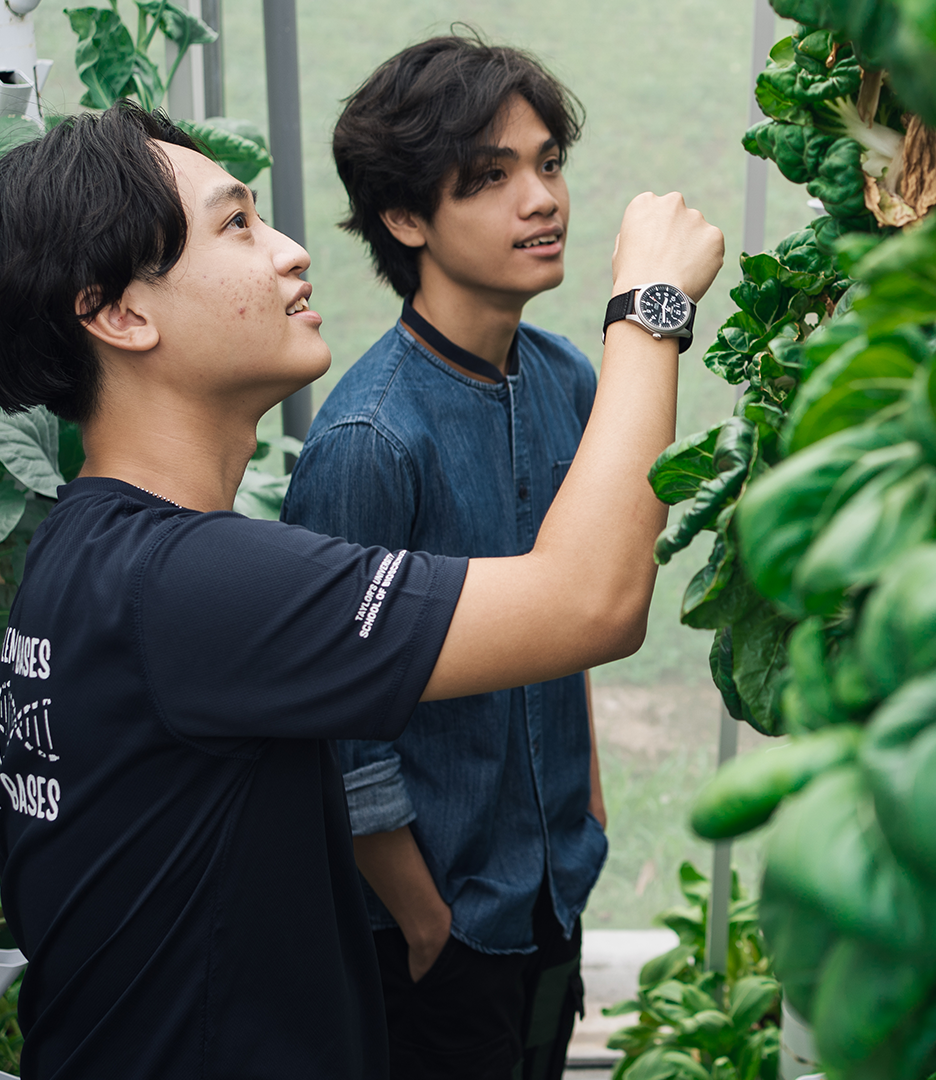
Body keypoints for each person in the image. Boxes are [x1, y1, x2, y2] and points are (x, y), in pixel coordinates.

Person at [0, 102, 721, 1079]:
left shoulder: (91, 555)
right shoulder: (191, 586)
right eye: (237, 225)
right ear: (121, 313)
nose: (293, 252)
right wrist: (649, 306)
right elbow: (589, 603)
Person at [282, 38, 639, 1080]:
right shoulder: (371, 442)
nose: (541, 199)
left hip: (549, 888)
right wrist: (419, 912)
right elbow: (338, 721)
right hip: (437, 930)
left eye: (548, 163)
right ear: (405, 219)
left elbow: (578, 615)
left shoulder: (567, 377)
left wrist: (586, 813)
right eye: (490, 177)